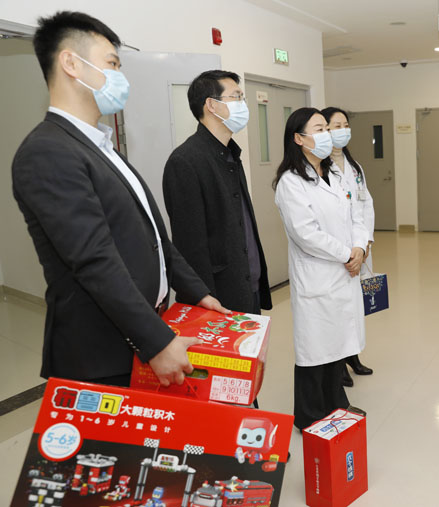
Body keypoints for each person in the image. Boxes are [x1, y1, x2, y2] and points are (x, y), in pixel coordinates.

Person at [12, 11, 227, 388]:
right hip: (100, 355)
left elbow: (154, 237)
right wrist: (157, 342)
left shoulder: (100, 146)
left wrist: (198, 292)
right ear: (71, 63)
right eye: (112, 64)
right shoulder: (47, 151)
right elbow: (94, 260)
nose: (119, 76)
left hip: (141, 333)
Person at [273, 107, 368, 430]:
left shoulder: (336, 174)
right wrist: (346, 254)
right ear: (299, 139)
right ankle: (310, 415)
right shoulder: (291, 182)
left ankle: (337, 405)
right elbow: (306, 234)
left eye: (327, 128)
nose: (327, 134)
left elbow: (356, 214)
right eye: (319, 129)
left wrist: (359, 248)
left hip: (344, 270)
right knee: (315, 350)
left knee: (338, 343)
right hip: (318, 275)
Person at [163, 70, 272, 315]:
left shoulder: (230, 153)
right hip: (218, 298)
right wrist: (203, 298)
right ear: (211, 105)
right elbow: (190, 246)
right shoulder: (186, 161)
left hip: (248, 286)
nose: (243, 104)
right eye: (236, 97)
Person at [322, 106, 375, 388]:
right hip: (339, 252)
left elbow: (366, 204)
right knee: (339, 309)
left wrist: (365, 242)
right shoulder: (320, 168)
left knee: (356, 307)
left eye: (345, 125)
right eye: (335, 126)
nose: (342, 130)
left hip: (359, 246)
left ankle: (353, 356)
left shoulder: (355, 167)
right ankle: (338, 363)